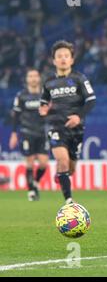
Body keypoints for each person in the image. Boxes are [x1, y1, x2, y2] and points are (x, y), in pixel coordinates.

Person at [39, 40, 96, 204]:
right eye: (59, 56)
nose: (63, 59)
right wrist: (43, 109)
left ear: (72, 59)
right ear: (54, 60)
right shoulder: (48, 82)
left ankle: (61, 175)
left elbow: (91, 100)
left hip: (76, 128)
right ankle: (69, 201)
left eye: (66, 56)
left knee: (70, 169)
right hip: (56, 126)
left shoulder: (80, 78)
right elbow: (43, 102)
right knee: (62, 161)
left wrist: (79, 116)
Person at [9, 69, 49, 201]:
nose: (33, 78)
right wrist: (14, 133)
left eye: (35, 76)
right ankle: (31, 190)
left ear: (39, 78)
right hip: (27, 132)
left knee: (43, 163)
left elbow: (52, 111)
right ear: (27, 79)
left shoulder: (45, 95)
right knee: (30, 163)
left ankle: (36, 182)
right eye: (30, 76)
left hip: (42, 132)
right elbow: (16, 116)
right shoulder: (21, 96)